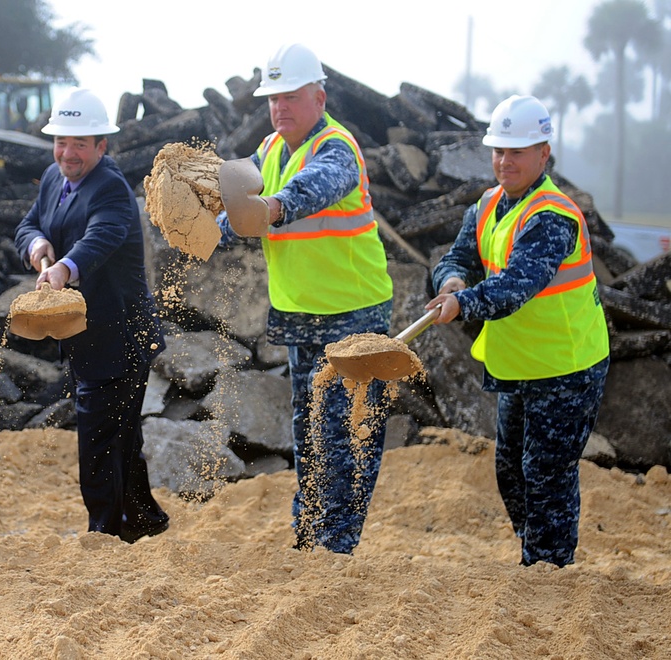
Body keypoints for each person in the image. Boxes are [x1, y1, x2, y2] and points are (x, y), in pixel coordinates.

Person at [218, 44, 394, 554]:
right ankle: (310, 536)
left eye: (291, 97)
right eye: (274, 99)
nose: (280, 108)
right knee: (311, 430)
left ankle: (337, 548)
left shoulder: (336, 147)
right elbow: (237, 204)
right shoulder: (270, 149)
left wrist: (271, 208)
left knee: (347, 433)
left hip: (354, 314)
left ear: (319, 97)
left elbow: (313, 188)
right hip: (302, 316)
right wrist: (211, 230)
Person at [425, 95, 609, 567]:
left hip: (567, 366)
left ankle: (548, 569)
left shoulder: (553, 216)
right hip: (522, 365)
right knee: (511, 471)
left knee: (546, 473)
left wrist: (461, 303)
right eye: (499, 151)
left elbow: (514, 287)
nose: (505, 161)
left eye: (517, 152)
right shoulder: (488, 204)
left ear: (543, 154)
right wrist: (451, 280)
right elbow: (459, 256)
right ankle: (540, 556)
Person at [14, 88, 169, 543]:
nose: (68, 152)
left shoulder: (113, 190)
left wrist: (62, 268)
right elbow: (28, 225)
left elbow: (100, 238)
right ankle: (142, 519)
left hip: (119, 334)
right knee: (119, 433)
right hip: (88, 334)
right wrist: (37, 246)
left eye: (80, 143)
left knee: (99, 437)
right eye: (62, 141)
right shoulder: (52, 178)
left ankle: (103, 531)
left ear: (102, 146)